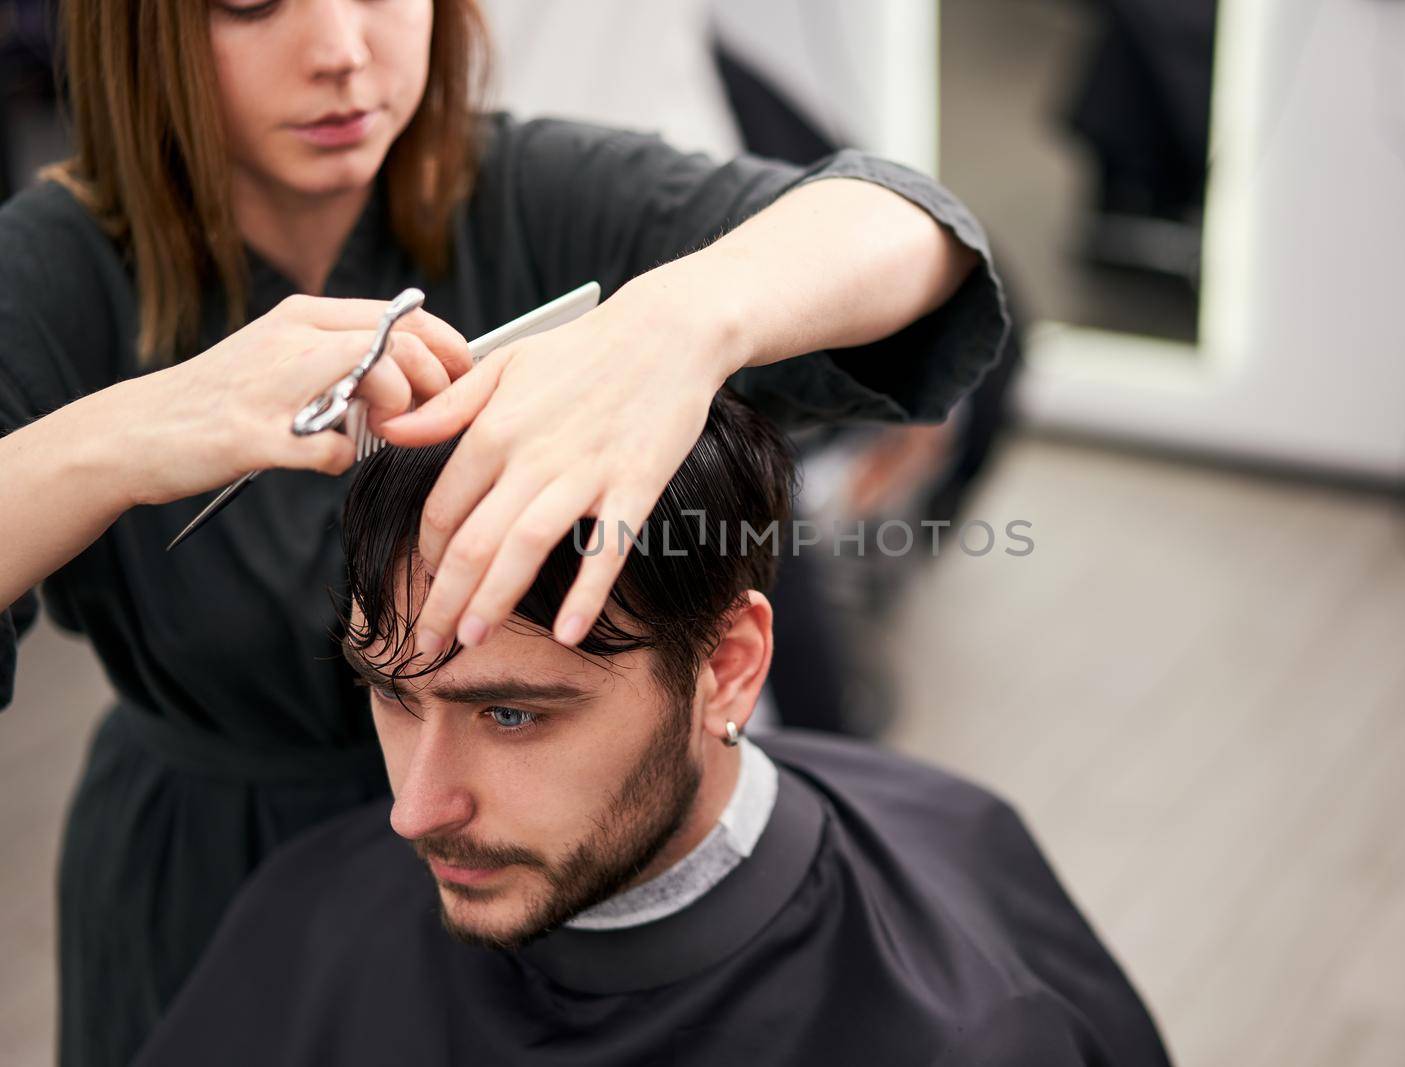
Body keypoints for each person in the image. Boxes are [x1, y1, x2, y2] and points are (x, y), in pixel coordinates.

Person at [0, 2, 1008, 1064]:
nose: (343, 51)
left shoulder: (527, 195)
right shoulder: (52, 280)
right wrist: (115, 437)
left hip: (564, 910)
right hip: (212, 892)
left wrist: (680, 323)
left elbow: (912, 231)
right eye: (253, 3)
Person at [132, 392, 1169, 1067]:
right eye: (396, 695)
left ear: (727, 668)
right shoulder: (311, 916)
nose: (415, 807)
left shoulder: (967, 1023)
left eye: (510, 712)